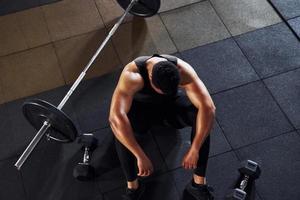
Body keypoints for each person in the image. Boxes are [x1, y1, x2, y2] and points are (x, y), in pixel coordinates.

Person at [109, 54, 216, 200]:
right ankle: (133, 187)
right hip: (142, 116)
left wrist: (195, 148)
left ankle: (198, 184)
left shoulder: (183, 70)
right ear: (151, 77)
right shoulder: (132, 76)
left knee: (203, 117)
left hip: (169, 112)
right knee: (120, 126)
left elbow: (209, 108)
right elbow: (115, 118)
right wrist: (139, 155)